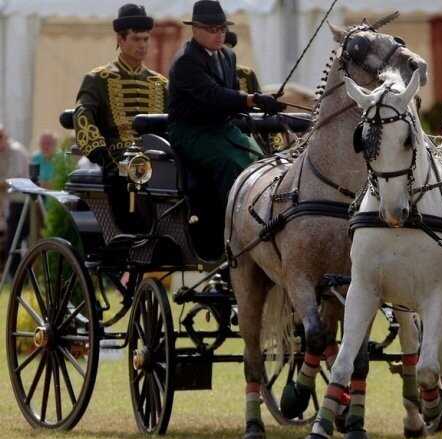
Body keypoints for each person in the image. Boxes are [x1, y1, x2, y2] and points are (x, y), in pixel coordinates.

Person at [167, 0, 285, 258]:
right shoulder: (186, 61)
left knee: (261, 161)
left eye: (222, 28)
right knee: (231, 164)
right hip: (191, 132)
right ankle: (234, 233)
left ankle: (264, 221)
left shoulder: (228, 56)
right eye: (212, 29)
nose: (219, 33)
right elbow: (214, 94)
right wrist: (253, 99)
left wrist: (261, 107)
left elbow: (229, 99)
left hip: (222, 128)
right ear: (195, 30)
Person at [72, 4, 168, 231]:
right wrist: (99, 152)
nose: (143, 45)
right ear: (120, 39)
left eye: (146, 39)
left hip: (158, 156)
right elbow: (83, 113)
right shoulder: (98, 78)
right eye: (136, 39)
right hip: (116, 157)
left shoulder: (160, 83)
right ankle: (131, 236)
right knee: (125, 176)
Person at [0, 124, 30, 276]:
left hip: (23, 202)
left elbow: (13, 178)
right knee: (15, 242)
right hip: (11, 203)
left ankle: (19, 276)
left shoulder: (15, 151)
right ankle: (16, 276)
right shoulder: (3, 151)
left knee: (16, 241)